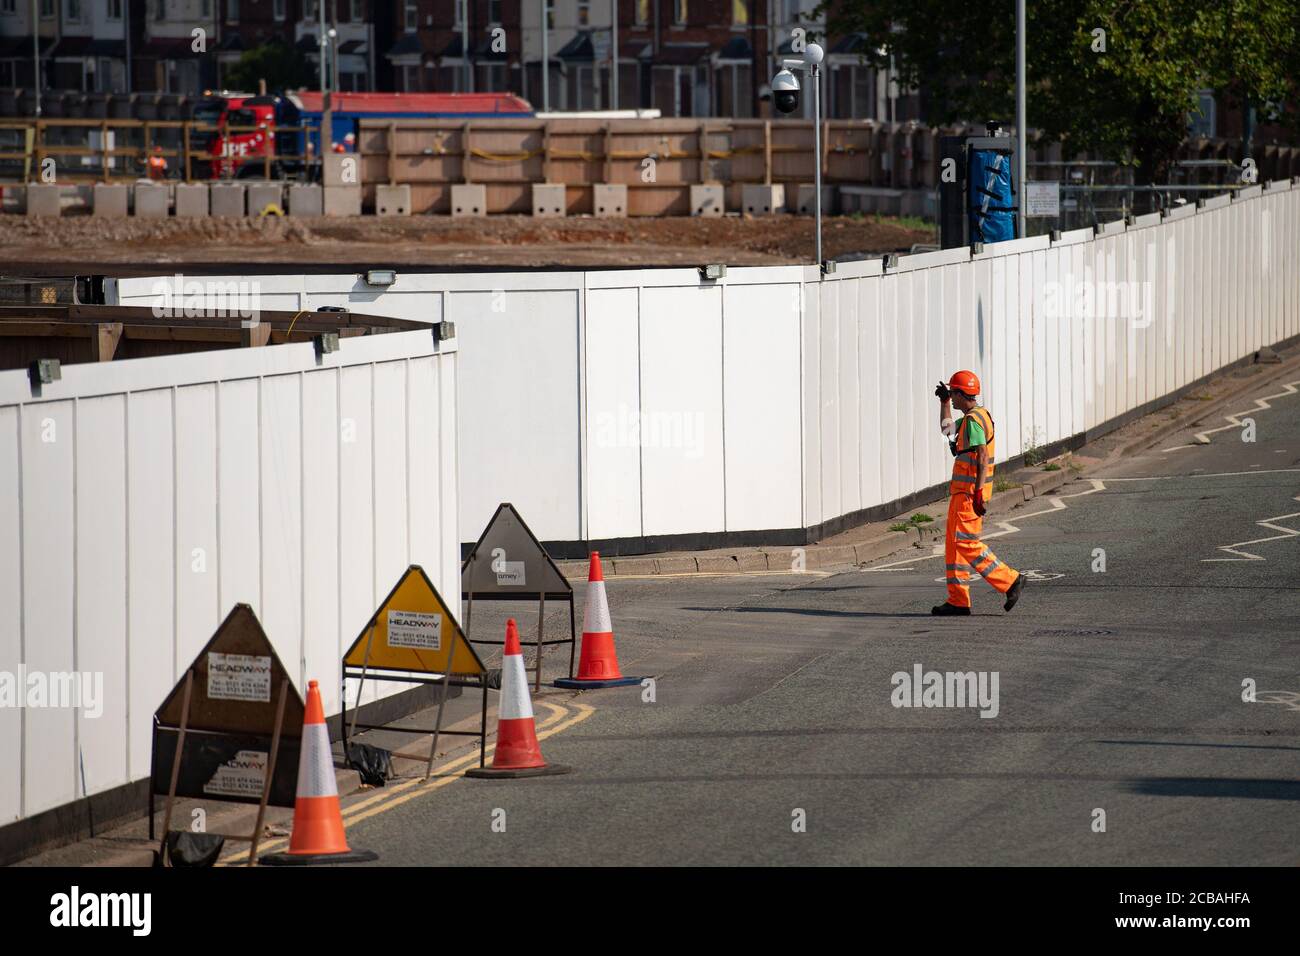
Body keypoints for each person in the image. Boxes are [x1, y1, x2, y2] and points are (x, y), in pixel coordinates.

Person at [933, 370, 1024, 616]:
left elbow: (982, 455)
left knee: (966, 543)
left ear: (963, 394)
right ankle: (958, 600)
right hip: (961, 493)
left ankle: (1010, 580)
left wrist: (978, 491)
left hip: (969, 494)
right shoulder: (976, 416)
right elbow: (946, 431)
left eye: (952, 394)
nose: (951, 397)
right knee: (954, 545)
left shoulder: (973, 421)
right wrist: (943, 405)